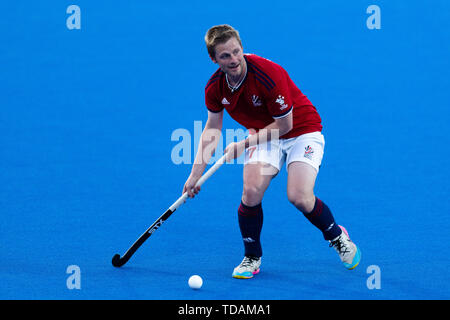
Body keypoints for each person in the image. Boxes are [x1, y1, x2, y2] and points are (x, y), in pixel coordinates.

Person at [182, 24, 361, 279]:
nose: (234, 60)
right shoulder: (215, 88)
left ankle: (336, 236)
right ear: (213, 59)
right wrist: (194, 174)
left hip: (301, 131)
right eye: (225, 56)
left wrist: (242, 145)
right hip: (264, 135)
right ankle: (252, 256)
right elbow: (212, 129)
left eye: (236, 51)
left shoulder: (268, 74)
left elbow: (285, 125)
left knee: (299, 196)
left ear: (242, 47)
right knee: (251, 191)